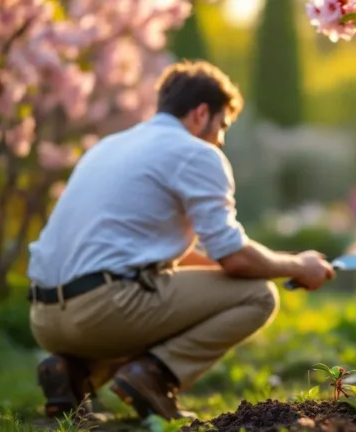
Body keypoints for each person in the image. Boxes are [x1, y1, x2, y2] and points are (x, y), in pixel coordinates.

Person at [26, 59, 336, 423]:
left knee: (161, 296)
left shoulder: (108, 147)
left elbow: (188, 257)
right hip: (103, 312)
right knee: (258, 295)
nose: (221, 138)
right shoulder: (197, 153)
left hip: (45, 318)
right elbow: (234, 258)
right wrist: (300, 265)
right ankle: (153, 377)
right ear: (201, 113)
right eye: (222, 125)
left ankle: (72, 374)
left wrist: (255, 264)